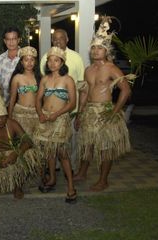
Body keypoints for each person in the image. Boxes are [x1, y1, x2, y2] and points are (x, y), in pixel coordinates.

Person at [73, 17, 132, 192]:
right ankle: (82, 173)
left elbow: (126, 90)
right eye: (93, 48)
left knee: (105, 148)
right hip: (89, 111)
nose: (95, 51)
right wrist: (79, 113)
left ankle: (103, 180)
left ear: (106, 51)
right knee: (87, 144)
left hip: (106, 111)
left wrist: (114, 112)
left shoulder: (111, 68)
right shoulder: (88, 70)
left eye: (99, 48)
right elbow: (84, 92)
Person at [0, 84, 41, 199]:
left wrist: (15, 154)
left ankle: (18, 185)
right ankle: (4, 182)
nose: (0, 120)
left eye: (3, 117)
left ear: (7, 115)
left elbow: (28, 141)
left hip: (14, 153)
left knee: (28, 156)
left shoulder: (12, 124)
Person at [33, 46, 77, 203]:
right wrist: (40, 114)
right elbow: (38, 99)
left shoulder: (68, 80)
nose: (52, 63)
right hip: (45, 119)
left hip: (60, 120)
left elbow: (72, 103)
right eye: (50, 60)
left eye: (56, 60)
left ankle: (71, 187)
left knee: (63, 154)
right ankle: (51, 179)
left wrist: (56, 114)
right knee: (49, 151)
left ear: (62, 62)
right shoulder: (45, 79)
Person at [39, 29, 85, 171]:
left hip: (70, 112)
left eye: (61, 38)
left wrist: (80, 113)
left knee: (69, 145)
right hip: (49, 114)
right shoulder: (46, 57)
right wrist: (42, 112)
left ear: (67, 39)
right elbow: (45, 85)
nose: (58, 41)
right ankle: (55, 172)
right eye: (55, 39)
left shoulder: (76, 57)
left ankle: (71, 172)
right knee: (52, 147)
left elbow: (82, 88)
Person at [8, 46, 41, 135]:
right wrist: (9, 118)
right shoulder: (17, 78)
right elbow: (12, 100)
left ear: (35, 62)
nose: (29, 63)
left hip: (35, 114)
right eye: (26, 60)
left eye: (32, 60)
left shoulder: (39, 77)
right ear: (21, 62)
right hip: (20, 114)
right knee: (22, 142)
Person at [0, 26, 21, 105]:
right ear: (5, 41)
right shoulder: (0, 59)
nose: (11, 42)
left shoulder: (25, 57)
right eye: (8, 39)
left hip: (22, 103)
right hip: (4, 103)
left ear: (18, 40)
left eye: (14, 39)